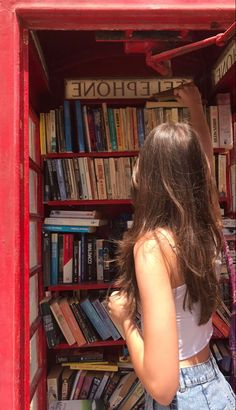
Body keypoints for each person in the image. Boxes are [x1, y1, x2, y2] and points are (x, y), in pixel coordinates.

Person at [107, 83, 236, 409]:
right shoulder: (205, 224)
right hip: (211, 381)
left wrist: (124, 321)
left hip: (184, 395)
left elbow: (163, 388)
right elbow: (203, 171)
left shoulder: (152, 248)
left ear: (152, 175)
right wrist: (195, 107)